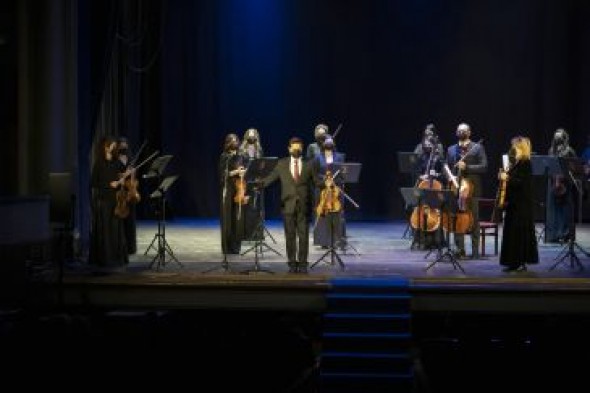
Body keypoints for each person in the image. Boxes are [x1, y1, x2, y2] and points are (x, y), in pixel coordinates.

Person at [259, 137, 320, 273]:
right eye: (294, 147)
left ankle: (303, 264)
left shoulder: (309, 164)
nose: (296, 150)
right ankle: (292, 264)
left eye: (299, 147)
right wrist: (257, 184)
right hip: (287, 205)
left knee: (303, 236)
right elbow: (269, 179)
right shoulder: (281, 164)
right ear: (289, 149)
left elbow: (316, 182)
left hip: (304, 206)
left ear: (302, 149)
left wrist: (326, 183)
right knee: (290, 236)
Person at [445, 123, 488, 259]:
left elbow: (484, 166)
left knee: (474, 220)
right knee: (458, 220)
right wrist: (450, 177)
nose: (461, 132)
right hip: (455, 189)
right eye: (459, 130)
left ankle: (475, 252)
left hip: (472, 190)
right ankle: (460, 250)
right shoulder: (451, 149)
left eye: (464, 130)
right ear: (456, 132)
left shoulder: (477, 147)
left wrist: (467, 167)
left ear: (469, 132)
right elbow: (446, 168)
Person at [89, 135, 129, 273]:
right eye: (111, 145)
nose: (113, 147)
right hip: (104, 200)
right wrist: (109, 184)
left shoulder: (117, 162)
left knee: (116, 229)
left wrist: (122, 180)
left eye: (113, 145)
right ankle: (105, 259)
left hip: (117, 200)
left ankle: (117, 258)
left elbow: (125, 177)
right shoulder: (99, 163)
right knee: (105, 230)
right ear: (105, 147)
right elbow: (94, 183)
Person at [499, 136, 539, 272]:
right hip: (514, 204)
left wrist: (508, 178)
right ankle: (513, 262)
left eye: (515, 146)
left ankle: (519, 262)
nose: (512, 148)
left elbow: (522, 184)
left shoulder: (525, 163)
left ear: (520, 148)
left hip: (521, 206)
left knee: (518, 234)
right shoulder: (516, 162)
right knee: (512, 234)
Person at [411, 130, 445, 251]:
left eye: (430, 144)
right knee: (421, 210)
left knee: (435, 211)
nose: (427, 146)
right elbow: (416, 171)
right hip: (423, 186)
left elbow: (444, 174)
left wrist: (436, 174)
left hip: (434, 187)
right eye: (425, 144)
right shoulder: (422, 157)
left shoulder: (438, 158)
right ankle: (420, 240)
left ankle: (436, 241)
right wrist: (421, 176)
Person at [311, 135, 346, 249]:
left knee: (337, 215)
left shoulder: (340, 157)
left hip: (335, 190)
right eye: (326, 142)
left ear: (334, 143)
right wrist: (323, 182)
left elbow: (342, 175)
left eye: (331, 141)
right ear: (322, 144)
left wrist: (334, 181)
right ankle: (323, 241)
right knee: (322, 215)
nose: (328, 144)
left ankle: (337, 240)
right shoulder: (317, 158)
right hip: (322, 190)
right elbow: (314, 176)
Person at [546, 128, 577, 243]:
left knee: (565, 210)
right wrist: (554, 178)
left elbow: (574, 167)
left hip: (565, 183)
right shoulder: (551, 150)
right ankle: (554, 235)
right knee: (554, 210)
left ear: (564, 138)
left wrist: (563, 177)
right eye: (555, 136)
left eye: (559, 136)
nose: (557, 138)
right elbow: (548, 165)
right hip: (553, 182)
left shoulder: (569, 150)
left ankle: (566, 235)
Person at [219, 133, 246, 255]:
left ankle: (236, 247)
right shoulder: (224, 157)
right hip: (227, 189)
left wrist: (243, 172)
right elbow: (222, 174)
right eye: (232, 140)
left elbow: (244, 170)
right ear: (228, 143)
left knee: (237, 219)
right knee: (227, 219)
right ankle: (226, 248)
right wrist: (235, 171)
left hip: (238, 188)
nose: (235, 142)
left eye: (236, 140)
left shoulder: (240, 156)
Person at [238, 128, 264, 241]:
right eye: (250, 135)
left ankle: (256, 234)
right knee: (245, 207)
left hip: (255, 180)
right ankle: (245, 233)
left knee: (256, 207)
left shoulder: (259, 149)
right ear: (246, 136)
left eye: (254, 136)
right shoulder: (241, 149)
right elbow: (239, 163)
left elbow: (262, 164)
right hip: (245, 180)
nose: (252, 138)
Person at [116, 136, 138, 254]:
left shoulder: (131, 158)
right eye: (121, 144)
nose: (123, 146)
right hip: (119, 192)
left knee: (130, 220)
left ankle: (130, 247)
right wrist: (123, 175)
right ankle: (120, 246)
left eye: (125, 144)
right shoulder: (115, 159)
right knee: (120, 220)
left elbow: (134, 178)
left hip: (129, 191)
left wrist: (132, 173)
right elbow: (116, 175)